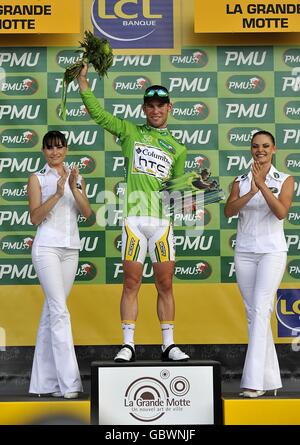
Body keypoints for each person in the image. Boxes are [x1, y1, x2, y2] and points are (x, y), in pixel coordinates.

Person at [77, 64, 190, 362]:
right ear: (144, 108)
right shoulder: (129, 132)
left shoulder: (178, 148)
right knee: (131, 282)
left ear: (169, 108)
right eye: (150, 106)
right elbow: (99, 115)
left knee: (165, 283)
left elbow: (175, 191)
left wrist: (192, 195)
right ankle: (128, 344)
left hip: (162, 222)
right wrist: (84, 84)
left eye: (160, 106)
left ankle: (169, 344)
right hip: (134, 221)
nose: (155, 111)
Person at [224, 130, 294, 398]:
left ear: (273, 149)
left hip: (272, 252)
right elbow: (230, 211)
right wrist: (250, 189)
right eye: (256, 146)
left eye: (266, 146)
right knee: (254, 314)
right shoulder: (240, 180)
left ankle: (252, 382)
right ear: (251, 149)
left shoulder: (286, 179)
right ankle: (270, 378)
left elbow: (281, 212)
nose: (260, 150)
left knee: (262, 309)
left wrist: (263, 186)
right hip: (244, 252)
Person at [28, 130, 92, 398]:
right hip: (46, 249)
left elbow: (87, 214)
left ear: (66, 149)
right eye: (49, 148)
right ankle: (70, 384)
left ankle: (45, 383)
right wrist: (55, 193)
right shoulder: (37, 178)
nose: (55, 152)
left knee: (51, 314)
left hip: (70, 250)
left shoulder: (76, 177)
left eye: (59, 147)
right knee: (59, 312)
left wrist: (74, 186)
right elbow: (34, 217)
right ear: (43, 151)